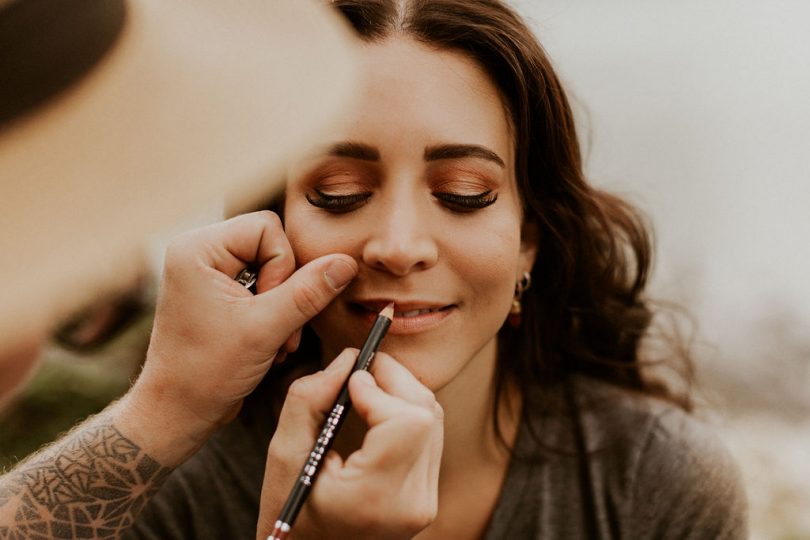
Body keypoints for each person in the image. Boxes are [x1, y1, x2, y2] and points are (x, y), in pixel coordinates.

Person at [128, 1, 747, 539]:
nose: (398, 247)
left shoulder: (656, 482)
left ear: (528, 242)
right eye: (340, 192)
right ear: (269, 227)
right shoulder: (163, 482)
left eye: (464, 192)